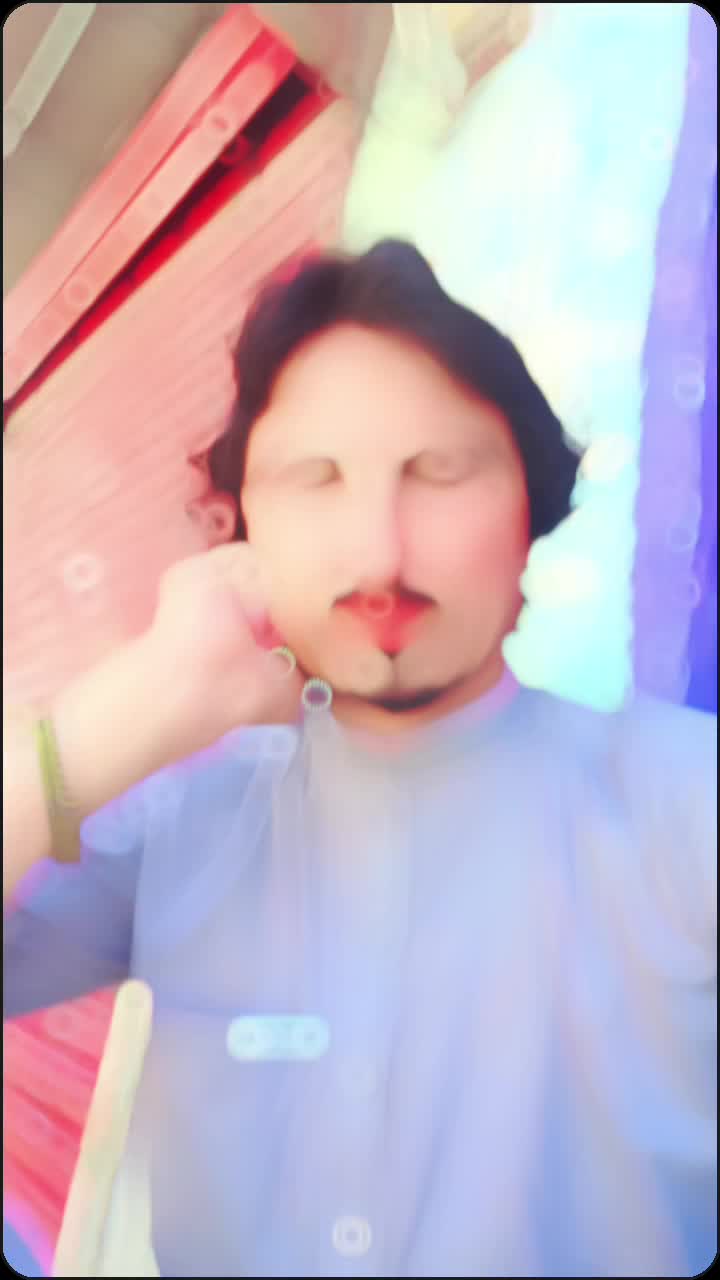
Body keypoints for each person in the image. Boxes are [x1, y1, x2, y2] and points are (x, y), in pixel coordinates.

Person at [3, 241, 716, 1278]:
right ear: (241, 531)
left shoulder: (684, 799)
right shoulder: (177, 821)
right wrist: (130, 709)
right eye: (315, 481)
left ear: (532, 510)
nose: (380, 554)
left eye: (440, 473)